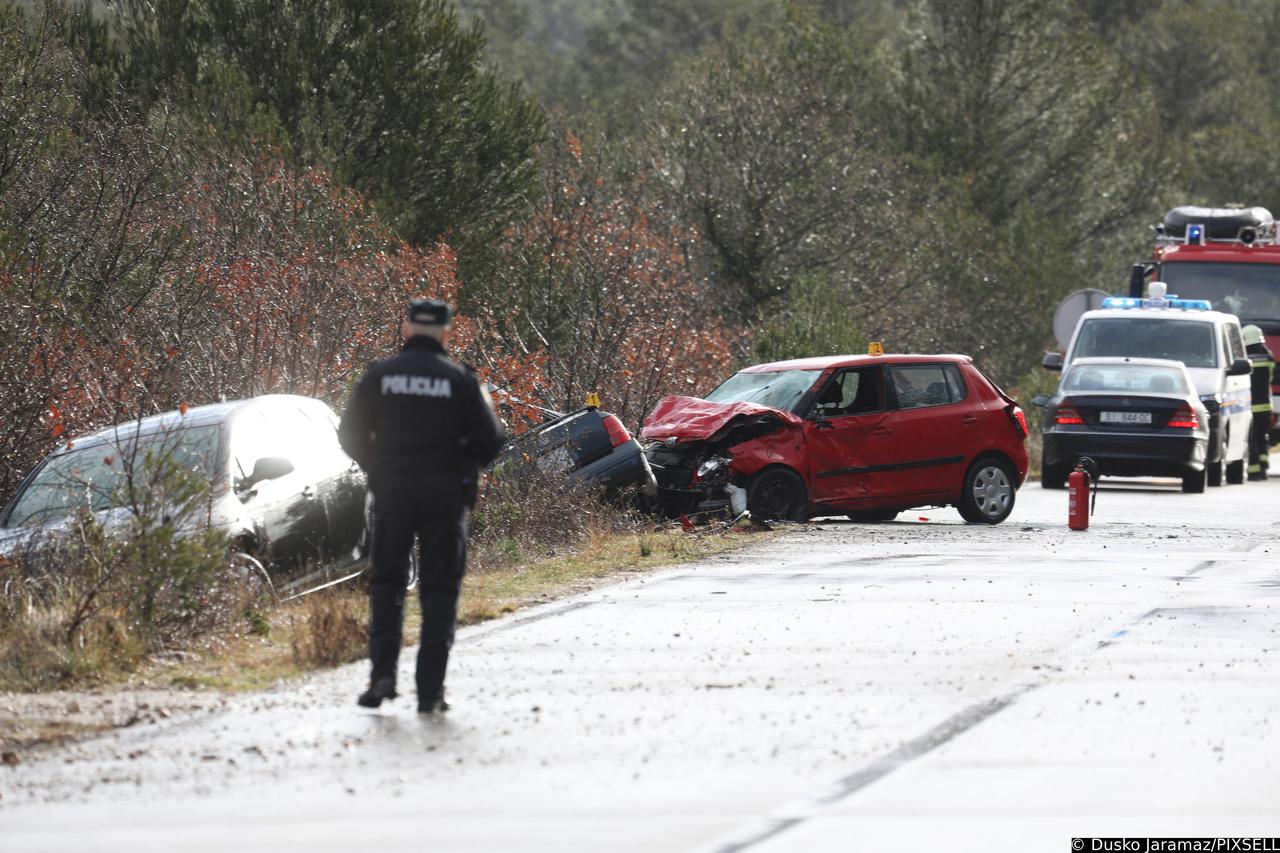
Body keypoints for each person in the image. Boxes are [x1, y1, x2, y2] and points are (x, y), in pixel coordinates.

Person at [338, 299, 506, 713]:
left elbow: (348, 433)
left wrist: (378, 467)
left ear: (407, 327)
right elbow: (492, 441)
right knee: (439, 590)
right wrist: (462, 464)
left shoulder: (381, 375)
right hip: (444, 497)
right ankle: (430, 691)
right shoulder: (459, 379)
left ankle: (382, 677)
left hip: (391, 493)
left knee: (387, 585)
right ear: (446, 332)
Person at [1243, 324, 1275, 481]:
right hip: (1266, 405)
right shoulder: (1268, 356)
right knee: (1262, 437)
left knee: (1252, 439)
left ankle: (1253, 470)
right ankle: (1263, 468)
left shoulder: (1246, 358)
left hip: (1250, 404)